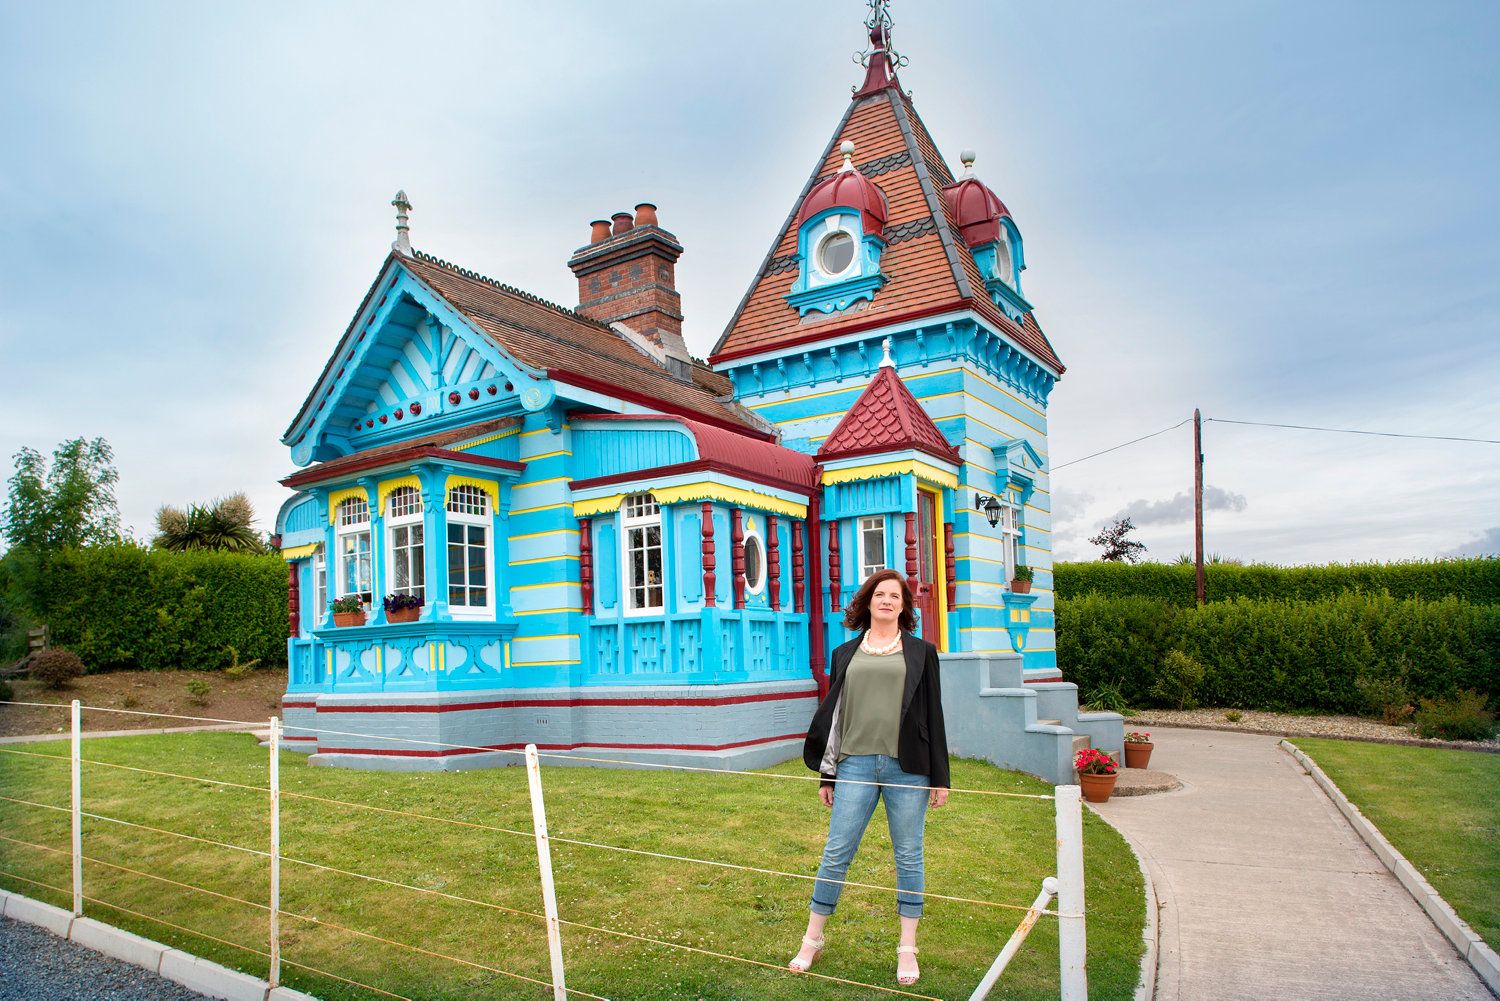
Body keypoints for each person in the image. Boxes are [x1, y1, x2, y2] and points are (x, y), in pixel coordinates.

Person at [789, 568, 950, 986]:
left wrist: (940, 778)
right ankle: (812, 939)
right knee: (836, 852)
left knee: (909, 856)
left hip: (907, 769)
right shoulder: (844, 653)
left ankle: (907, 948)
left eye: (896, 596)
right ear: (868, 601)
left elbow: (934, 715)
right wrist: (828, 775)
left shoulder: (921, 652)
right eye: (881, 594)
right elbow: (835, 719)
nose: (887, 601)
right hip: (854, 765)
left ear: (903, 606)